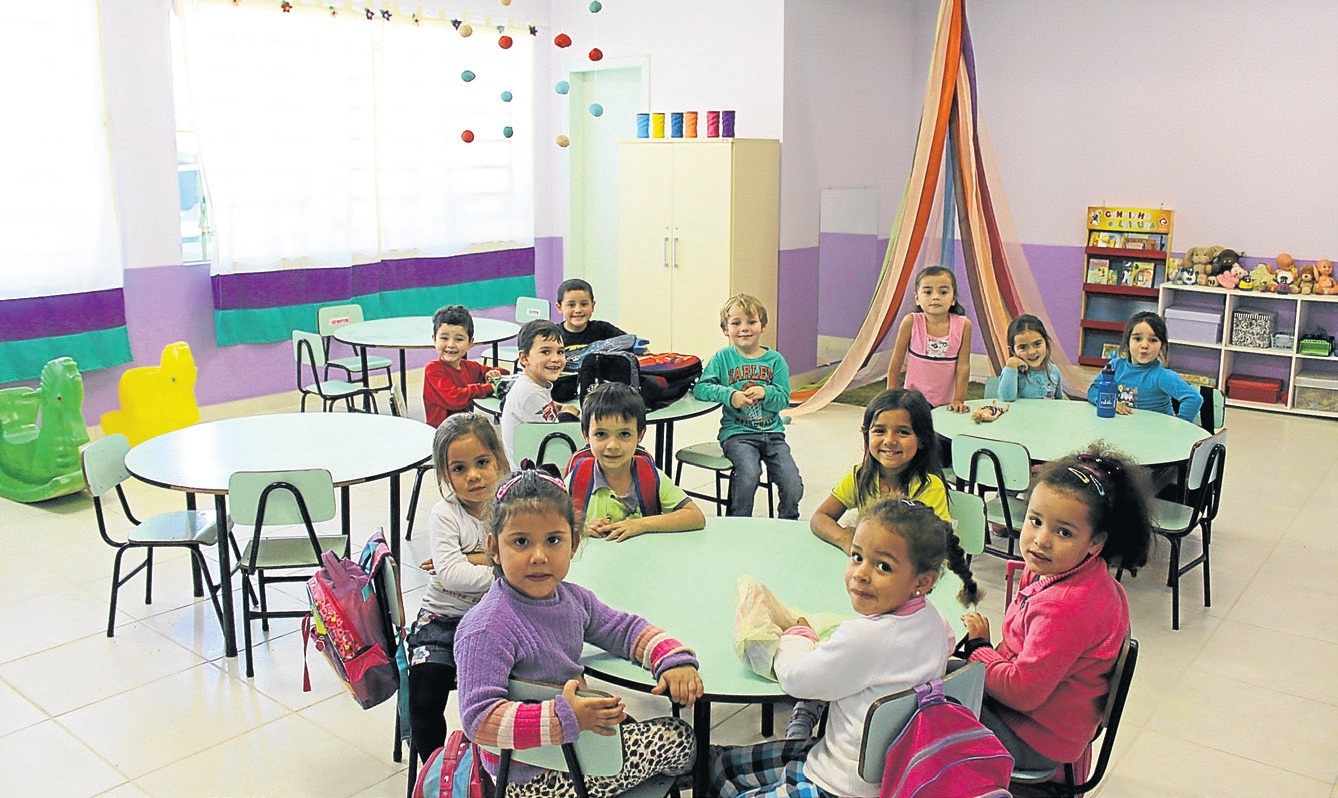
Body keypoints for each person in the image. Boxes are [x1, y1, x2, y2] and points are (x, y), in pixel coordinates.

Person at [454, 470, 704, 797]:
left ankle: (713, 768)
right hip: (530, 776)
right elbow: (479, 720)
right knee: (681, 738)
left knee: (631, 726)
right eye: (520, 541)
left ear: (573, 542)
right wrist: (563, 715)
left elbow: (624, 629)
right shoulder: (486, 627)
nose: (539, 556)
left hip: (572, 747)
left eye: (553, 540)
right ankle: (714, 770)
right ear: (494, 548)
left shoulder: (572, 599)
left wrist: (672, 659)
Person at [710, 499, 981, 798]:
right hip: (886, 774)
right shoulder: (935, 620)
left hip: (836, 783)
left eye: (883, 566)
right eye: (856, 556)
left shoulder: (864, 637)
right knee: (724, 767)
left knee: (718, 773)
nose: (861, 574)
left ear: (922, 581)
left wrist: (799, 633)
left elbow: (796, 679)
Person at [960, 446, 1153, 773]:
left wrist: (980, 648)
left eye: (1063, 531)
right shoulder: (1068, 571)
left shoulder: (1067, 606)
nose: (1040, 540)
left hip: (1034, 738)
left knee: (925, 700)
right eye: (1035, 521)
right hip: (1042, 721)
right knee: (940, 677)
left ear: (1095, 542)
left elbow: (1022, 693)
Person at [406, 413, 509, 761]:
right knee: (424, 696)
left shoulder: (512, 505)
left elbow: (531, 558)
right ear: (445, 475)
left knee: (522, 689)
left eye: (482, 462)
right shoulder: (444, 514)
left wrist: (474, 559)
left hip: (501, 619)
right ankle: (438, 774)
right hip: (442, 617)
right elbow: (451, 575)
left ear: (499, 459)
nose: (473, 476)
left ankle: (504, 768)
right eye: (459, 469)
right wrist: (503, 569)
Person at [692, 293, 804, 519]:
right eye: (736, 323)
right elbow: (701, 388)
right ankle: (738, 522)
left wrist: (767, 392)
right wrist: (729, 394)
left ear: (763, 326)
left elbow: (783, 398)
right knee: (749, 473)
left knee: (793, 482)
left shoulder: (775, 361)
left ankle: (788, 522)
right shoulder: (722, 358)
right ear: (725, 329)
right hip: (737, 434)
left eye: (751, 322)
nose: (744, 328)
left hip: (772, 433)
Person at [568, 382, 705, 541]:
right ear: (586, 435)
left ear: (640, 435)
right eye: (601, 434)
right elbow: (550, 526)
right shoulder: (577, 479)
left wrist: (641, 525)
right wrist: (582, 528)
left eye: (624, 434)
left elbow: (695, 516)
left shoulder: (649, 476)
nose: (612, 446)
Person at [1086, 311, 1202, 422]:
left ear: (1161, 346)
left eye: (1153, 340)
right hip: (1123, 429)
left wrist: (1180, 426)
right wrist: (1111, 402)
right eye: (1137, 339)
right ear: (1128, 342)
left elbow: (1193, 399)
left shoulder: (1162, 376)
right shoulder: (1115, 366)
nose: (1145, 345)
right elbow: (1094, 389)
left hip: (1154, 433)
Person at [886, 266, 973, 413]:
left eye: (943, 292)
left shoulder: (964, 325)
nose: (935, 297)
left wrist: (958, 399)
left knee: (942, 435)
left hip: (946, 402)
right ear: (917, 298)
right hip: (913, 399)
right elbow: (897, 360)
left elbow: (963, 366)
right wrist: (890, 395)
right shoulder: (911, 322)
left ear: (953, 299)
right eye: (928, 292)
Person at [500, 319, 580, 466]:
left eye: (560, 352)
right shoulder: (529, 393)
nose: (556, 359)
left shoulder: (535, 385)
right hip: (533, 474)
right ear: (524, 358)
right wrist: (569, 413)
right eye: (545, 352)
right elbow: (558, 437)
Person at [423, 305, 506, 427]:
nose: (451, 345)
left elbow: (504, 373)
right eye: (444, 338)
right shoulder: (433, 370)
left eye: (459, 339)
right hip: (441, 433)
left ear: (470, 343)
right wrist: (489, 387)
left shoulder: (470, 367)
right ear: (434, 340)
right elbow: (455, 399)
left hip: (464, 430)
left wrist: (493, 374)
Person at [999, 314, 1063, 401]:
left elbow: (1059, 401)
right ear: (1013, 351)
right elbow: (1006, 398)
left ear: (1046, 343)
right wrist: (1011, 364)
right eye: (1023, 347)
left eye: (1037, 344)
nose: (1032, 352)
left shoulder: (1054, 371)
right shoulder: (1014, 372)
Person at [555, 278, 628, 349]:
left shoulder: (603, 330)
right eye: (571, 305)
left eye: (584, 304)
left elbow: (631, 343)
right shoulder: (553, 334)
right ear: (560, 308)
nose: (578, 310)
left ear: (592, 306)